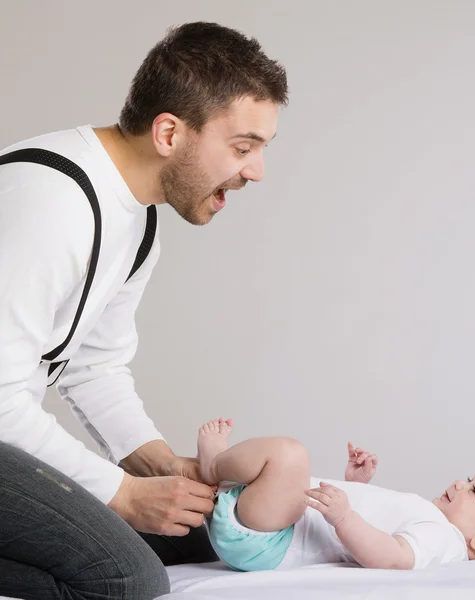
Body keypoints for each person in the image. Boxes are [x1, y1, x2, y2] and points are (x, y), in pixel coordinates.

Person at [0, 21, 288, 600]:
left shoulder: (140, 221)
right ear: (168, 133)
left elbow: (93, 367)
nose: (256, 171)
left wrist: (156, 466)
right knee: (127, 578)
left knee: (193, 532)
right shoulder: (49, 200)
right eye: (242, 147)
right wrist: (120, 493)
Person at [196, 418, 475, 571]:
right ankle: (223, 475)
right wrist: (355, 485)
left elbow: (394, 557)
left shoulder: (445, 539)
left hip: (272, 540)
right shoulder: (432, 524)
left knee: (289, 455)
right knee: (284, 462)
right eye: (468, 478)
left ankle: (213, 466)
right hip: (269, 527)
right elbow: (376, 535)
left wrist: (345, 517)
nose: (460, 485)